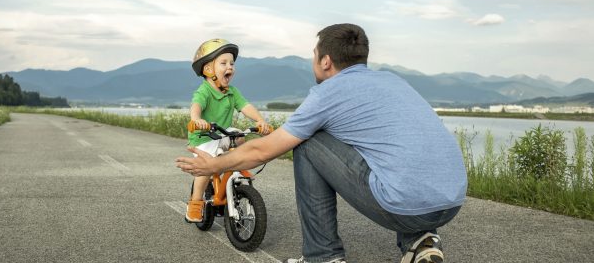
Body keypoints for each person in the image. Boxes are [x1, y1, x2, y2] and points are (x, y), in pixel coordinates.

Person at [176, 24, 467, 263]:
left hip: (404, 205)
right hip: (452, 200)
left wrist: (213, 164)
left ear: (325, 60)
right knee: (390, 153)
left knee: (307, 141)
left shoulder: (328, 93)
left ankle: (323, 256)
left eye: (314, 55)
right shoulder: (394, 81)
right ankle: (421, 240)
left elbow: (263, 149)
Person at [185, 38, 271, 223]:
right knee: (206, 167)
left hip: (222, 133)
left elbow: (245, 106)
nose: (229, 67)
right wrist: (197, 119)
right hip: (203, 138)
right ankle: (196, 201)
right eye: (223, 63)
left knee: (240, 138)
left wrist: (260, 120)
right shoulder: (205, 91)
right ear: (208, 69)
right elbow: (196, 106)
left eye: (231, 63)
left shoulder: (232, 91)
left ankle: (236, 169)